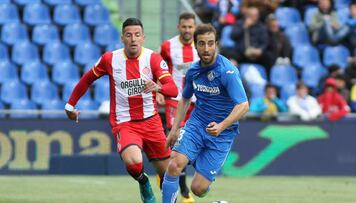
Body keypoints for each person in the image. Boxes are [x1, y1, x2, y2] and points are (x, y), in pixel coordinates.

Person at [64, 18, 178, 203]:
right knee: (134, 162)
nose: (133, 39)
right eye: (129, 35)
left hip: (152, 121)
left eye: (137, 35)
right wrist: (70, 105)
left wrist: (158, 88)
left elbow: (172, 89)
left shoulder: (153, 59)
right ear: (122, 38)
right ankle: (143, 181)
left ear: (143, 38)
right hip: (124, 123)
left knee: (168, 174)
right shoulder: (110, 59)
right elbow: (87, 80)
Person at [161, 24, 249, 203]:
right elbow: (185, 99)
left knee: (198, 189)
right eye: (202, 43)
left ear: (216, 44)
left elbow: (243, 105)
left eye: (210, 43)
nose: (206, 48)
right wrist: (174, 130)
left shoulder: (227, 71)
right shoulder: (193, 70)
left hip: (222, 134)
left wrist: (222, 125)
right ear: (195, 46)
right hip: (196, 125)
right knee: (174, 165)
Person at [158, 12, 199, 203]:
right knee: (176, 142)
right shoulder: (168, 46)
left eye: (190, 27)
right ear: (178, 27)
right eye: (184, 27)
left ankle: (173, 181)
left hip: (197, 102)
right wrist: (158, 91)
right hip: (175, 100)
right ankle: (182, 189)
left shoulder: (201, 46)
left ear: (195, 27)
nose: (187, 30)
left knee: (190, 144)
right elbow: (157, 68)